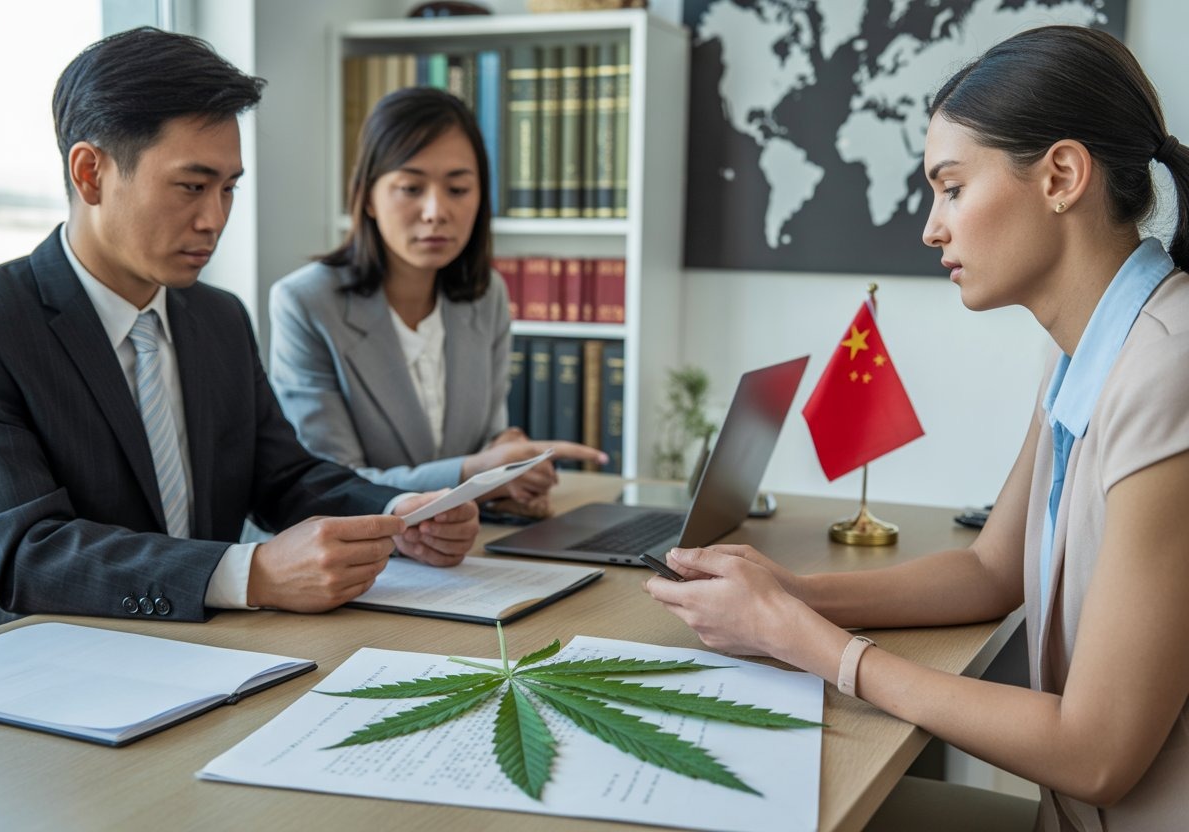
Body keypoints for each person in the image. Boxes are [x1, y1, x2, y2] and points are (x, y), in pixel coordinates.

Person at [645, 25, 1189, 830]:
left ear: (1062, 176)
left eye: (953, 188)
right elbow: (991, 571)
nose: (932, 227)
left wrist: (817, 646)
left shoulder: (1166, 369)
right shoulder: (1088, 345)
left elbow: (1096, 754)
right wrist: (792, 595)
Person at [0, 28, 479, 633]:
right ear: (90, 174)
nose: (214, 219)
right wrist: (251, 572)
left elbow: (284, 477)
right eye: (191, 186)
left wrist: (398, 515)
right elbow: (28, 554)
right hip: (54, 678)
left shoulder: (218, 318)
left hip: (224, 659)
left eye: (228, 188)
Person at [268, 86, 605, 510]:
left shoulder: (487, 296)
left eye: (458, 190)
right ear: (367, 196)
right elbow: (329, 484)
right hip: (363, 555)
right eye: (411, 188)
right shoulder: (305, 303)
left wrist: (510, 462)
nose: (435, 211)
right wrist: (476, 471)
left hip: (464, 549)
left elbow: (485, 439)